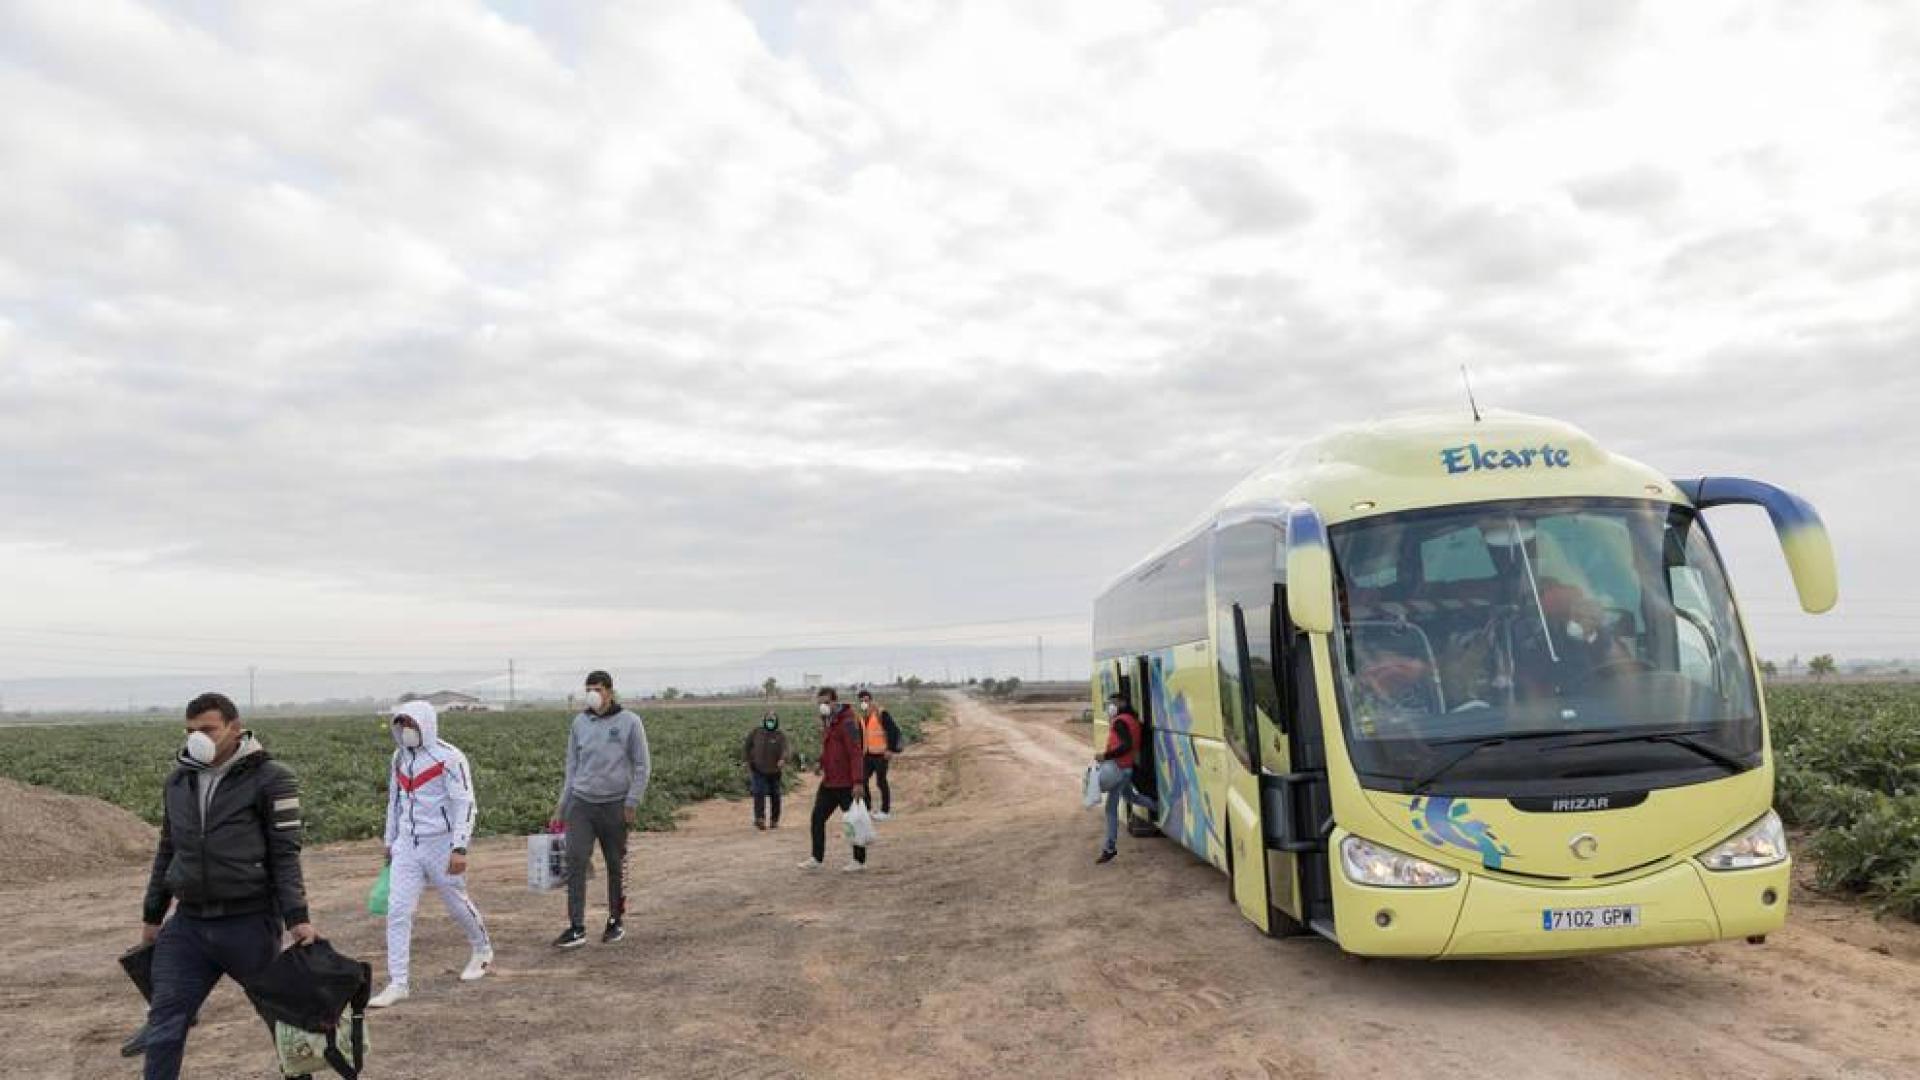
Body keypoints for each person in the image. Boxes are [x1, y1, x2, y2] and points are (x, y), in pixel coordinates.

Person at [138, 692, 318, 1080]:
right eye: (190, 731)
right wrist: (153, 914)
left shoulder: (272, 778)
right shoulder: (178, 781)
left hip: (249, 923)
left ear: (235, 729)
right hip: (188, 925)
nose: (197, 738)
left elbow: (285, 854)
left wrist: (297, 917)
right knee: (164, 1022)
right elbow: (168, 849)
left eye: (207, 729)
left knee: (284, 1022)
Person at [369, 700, 493, 1009]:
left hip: (441, 843)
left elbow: (465, 803)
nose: (406, 731)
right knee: (398, 911)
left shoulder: (450, 758)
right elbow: (395, 802)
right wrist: (389, 841)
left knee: (456, 902)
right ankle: (398, 982)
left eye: (411, 724)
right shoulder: (399, 757)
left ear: (426, 725)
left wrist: (459, 846)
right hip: (407, 845)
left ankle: (482, 949)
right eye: (401, 725)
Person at [550, 670, 651, 948]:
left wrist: (632, 801)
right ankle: (576, 927)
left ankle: (615, 921)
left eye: (597, 689)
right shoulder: (580, 722)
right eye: (588, 690)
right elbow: (572, 767)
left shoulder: (629, 722)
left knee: (615, 864)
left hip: (615, 804)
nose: (592, 694)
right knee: (576, 861)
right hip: (582, 803)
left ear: (610, 692)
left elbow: (642, 765)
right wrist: (562, 805)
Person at [799, 687, 869, 872]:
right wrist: (821, 763)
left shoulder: (847, 722)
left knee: (854, 821)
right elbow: (830, 750)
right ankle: (816, 858)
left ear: (835, 702)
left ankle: (859, 861)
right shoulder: (829, 721)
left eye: (826, 702)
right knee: (817, 818)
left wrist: (858, 781)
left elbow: (855, 753)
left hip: (847, 783)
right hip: (830, 781)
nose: (823, 706)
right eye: (820, 703)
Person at [1095, 694, 1159, 865]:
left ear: (1122, 703)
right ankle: (1158, 807)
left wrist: (1105, 756)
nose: (1110, 706)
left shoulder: (1120, 722)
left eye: (1113, 703)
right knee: (1131, 797)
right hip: (1127, 767)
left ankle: (1109, 848)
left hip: (1119, 769)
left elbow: (1126, 745)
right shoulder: (1133, 720)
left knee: (1110, 809)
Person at [856, 689, 903, 821]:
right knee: (863, 779)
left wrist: (890, 749)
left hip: (882, 754)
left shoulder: (881, 713)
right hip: (868, 754)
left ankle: (885, 811)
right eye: (861, 701)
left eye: (866, 700)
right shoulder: (863, 717)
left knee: (881, 782)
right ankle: (867, 808)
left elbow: (893, 731)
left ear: (871, 700)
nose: (864, 703)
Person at [744, 710, 789, 830]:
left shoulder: (780, 735)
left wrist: (782, 759)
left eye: (772, 720)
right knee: (758, 793)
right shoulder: (756, 732)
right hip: (758, 769)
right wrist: (748, 761)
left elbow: (785, 749)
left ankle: (774, 820)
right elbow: (747, 746)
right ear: (764, 721)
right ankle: (760, 819)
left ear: (776, 722)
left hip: (775, 770)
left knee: (775, 795)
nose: (770, 722)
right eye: (768, 720)